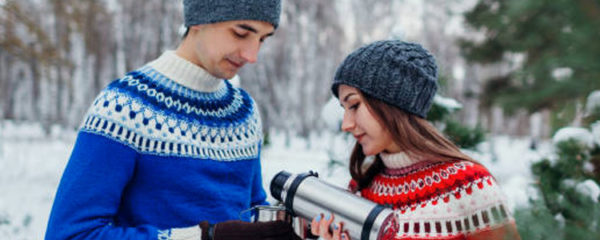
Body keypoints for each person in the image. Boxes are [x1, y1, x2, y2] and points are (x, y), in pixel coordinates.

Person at [45, 1, 298, 239]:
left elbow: (250, 214)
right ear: (199, 18)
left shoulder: (245, 112)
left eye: (262, 40)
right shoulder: (125, 107)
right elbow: (70, 234)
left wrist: (292, 225)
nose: (251, 55)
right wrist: (204, 236)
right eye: (241, 33)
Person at [310, 40, 521, 240]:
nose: (346, 124)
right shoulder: (362, 186)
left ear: (392, 104)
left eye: (354, 105)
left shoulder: (468, 185)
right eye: (344, 109)